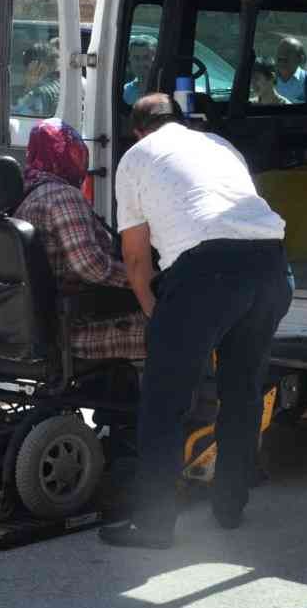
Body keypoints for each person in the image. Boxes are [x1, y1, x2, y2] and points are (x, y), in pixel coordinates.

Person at [99, 93, 290, 549]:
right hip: (272, 266)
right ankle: (230, 507)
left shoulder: (137, 157)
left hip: (207, 269)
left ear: (137, 130)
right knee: (242, 389)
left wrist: (154, 311)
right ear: (180, 121)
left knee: (165, 402)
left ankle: (154, 526)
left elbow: (135, 254)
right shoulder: (220, 145)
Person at [13, 118, 146, 362]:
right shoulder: (62, 196)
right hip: (74, 324)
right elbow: (89, 266)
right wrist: (144, 278)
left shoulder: (24, 191)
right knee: (173, 326)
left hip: (41, 319)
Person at [13, 40, 61, 117]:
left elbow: (17, 117)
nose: (24, 74)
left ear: (37, 67)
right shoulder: (69, 85)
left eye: (25, 69)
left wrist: (29, 88)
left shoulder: (38, 94)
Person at [273, 36, 307, 104]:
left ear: (300, 59)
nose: (282, 54)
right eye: (280, 51)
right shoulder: (267, 78)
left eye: (288, 51)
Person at [121, 38, 157, 105]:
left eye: (146, 57)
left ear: (153, 60)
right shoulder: (125, 91)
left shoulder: (161, 87)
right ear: (130, 60)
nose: (141, 63)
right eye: (136, 58)